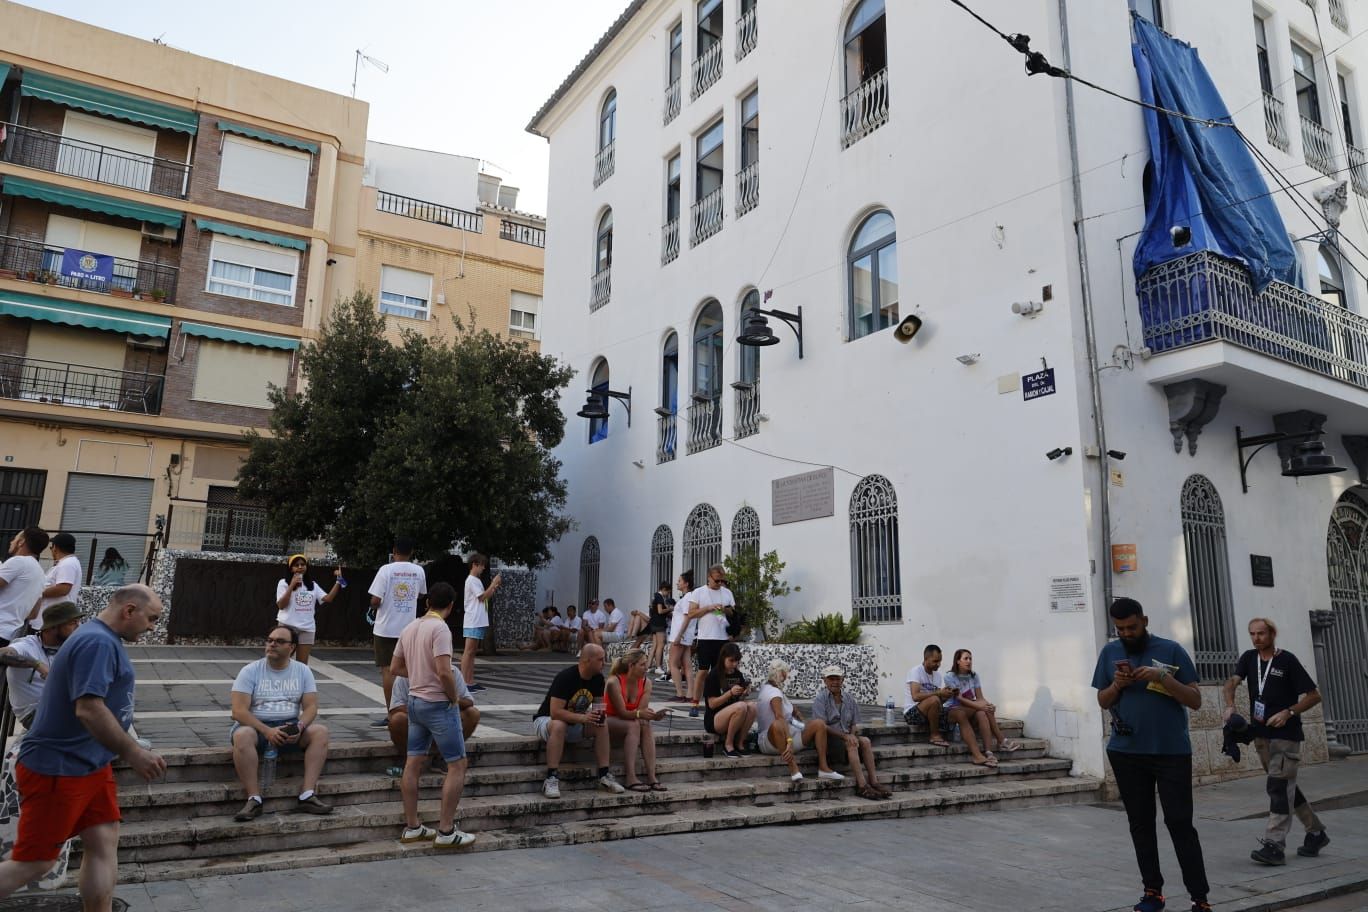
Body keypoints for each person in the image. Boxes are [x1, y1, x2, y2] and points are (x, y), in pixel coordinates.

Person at [0, 585, 166, 910]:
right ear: (129, 610)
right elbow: (88, 708)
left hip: (91, 763)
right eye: (152, 618)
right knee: (35, 863)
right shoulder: (97, 642)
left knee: (104, 841)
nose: (152, 627)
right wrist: (134, 752)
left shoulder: (102, 638)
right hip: (57, 767)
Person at [1092, 597, 1210, 912]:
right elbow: (1102, 701)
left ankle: (1200, 899)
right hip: (1126, 752)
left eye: (1132, 627)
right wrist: (1116, 686)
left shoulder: (1171, 650)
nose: (1127, 634)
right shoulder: (1109, 653)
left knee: (1180, 823)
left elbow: (1195, 700)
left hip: (1171, 752)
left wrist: (1163, 678)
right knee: (1141, 824)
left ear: (1144, 620)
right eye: (1120, 629)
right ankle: (1152, 893)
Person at [1222, 617, 1329, 866]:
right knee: (1285, 785)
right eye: (1252, 634)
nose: (1256, 638)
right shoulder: (1249, 658)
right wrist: (1229, 705)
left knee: (1278, 788)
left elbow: (1314, 696)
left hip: (1286, 736)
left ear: (1272, 633)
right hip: (1262, 736)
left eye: (1261, 633)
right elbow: (1231, 683)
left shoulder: (1287, 660)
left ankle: (1274, 845)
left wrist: (1288, 712)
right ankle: (1316, 833)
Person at [390, 581, 476, 848]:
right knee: (457, 765)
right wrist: (452, 697)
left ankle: (413, 826)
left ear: (427, 603)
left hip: (415, 702)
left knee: (413, 763)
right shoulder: (440, 628)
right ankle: (447, 831)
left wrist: (417, 674)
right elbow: (443, 670)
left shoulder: (410, 627)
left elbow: (394, 667)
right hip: (437, 704)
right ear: (450, 606)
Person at [228, 625, 333, 822]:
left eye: (279, 641)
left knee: (320, 732)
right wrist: (267, 731)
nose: (272, 644)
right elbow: (238, 711)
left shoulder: (303, 671)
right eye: (269, 640)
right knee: (242, 735)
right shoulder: (250, 671)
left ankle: (307, 795)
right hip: (256, 728)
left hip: (289, 728)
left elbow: (310, 708)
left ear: (292, 647)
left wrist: (299, 727)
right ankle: (254, 799)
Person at [532, 643, 625, 799]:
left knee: (601, 723)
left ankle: (604, 775)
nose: (605, 663)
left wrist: (599, 715)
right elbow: (555, 712)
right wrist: (583, 717)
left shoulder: (597, 678)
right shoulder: (566, 677)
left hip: (575, 722)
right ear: (587, 661)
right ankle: (551, 777)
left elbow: (599, 705)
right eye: (601, 659)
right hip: (546, 721)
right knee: (559, 725)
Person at [756, 659, 843, 783]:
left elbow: (789, 711)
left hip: (790, 731)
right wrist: (789, 741)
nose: (787, 676)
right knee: (777, 724)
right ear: (781, 673)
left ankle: (824, 768)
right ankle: (793, 768)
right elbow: (780, 718)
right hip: (771, 741)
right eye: (785, 673)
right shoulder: (774, 693)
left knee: (819, 724)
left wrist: (801, 719)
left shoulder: (771, 687)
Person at [0, 601, 82, 729]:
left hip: (61, 705)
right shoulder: (27, 645)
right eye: (73, 623)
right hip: (36, 712)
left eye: (78, 622)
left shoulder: (69, 646)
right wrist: (37, 664)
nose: (78, 627)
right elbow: (1, 654)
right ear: (52, 627)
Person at [813, 665, 890, 799]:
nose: (835, 682)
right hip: (830, 741)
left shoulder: (849, 698)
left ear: (842, 680)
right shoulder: (821, 699)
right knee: (851, 743)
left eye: (837, 679)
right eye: (831, 679)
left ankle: (874, 782)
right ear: (824, 681)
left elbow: (854, 724)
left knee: (865, 741)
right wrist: (846, 736)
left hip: (846, 737)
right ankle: (862, 786)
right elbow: (822, 726)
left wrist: (852, 735)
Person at [368, 538, 427, 714]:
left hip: (385, 628)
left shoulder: (385, 570)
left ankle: (392, 713)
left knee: (388, 671)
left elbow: (376, 600)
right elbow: (422, 594)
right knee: (410, 670)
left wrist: (373, 606)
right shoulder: (419, 570)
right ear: (412, 552)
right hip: (409, 628)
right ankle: (412, 710)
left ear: (394, 551)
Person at [603, 649, 669, 791]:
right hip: (609, 720)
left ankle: (651, 776)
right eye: (642, 665)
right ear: (631, 665)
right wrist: (641, 714)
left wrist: (653, 716)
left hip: (629, 720)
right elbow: (622, 713)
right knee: (634, 724)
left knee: (645, 724)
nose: (646, 668)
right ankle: (630, 777)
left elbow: (641, 711)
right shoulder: (614, 682)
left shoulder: (646, 683)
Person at [944, 648, 1021, 768]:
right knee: (982, 709)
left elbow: (980, 697)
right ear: (958, 661)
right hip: (954, 708)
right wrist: (981, 706)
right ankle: (1001, 740)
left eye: (970, 659)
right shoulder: (950, 676)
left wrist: (989, 705)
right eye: (966, 658)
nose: (969, 661)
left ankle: (989, 753)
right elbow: (959, 699)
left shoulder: (974, 676)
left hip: (971, 709)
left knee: (983, 713)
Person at [682, 564, 736, 718]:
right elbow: (691, 613)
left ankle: (718, 703)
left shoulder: (727, 593)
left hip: (722, 638)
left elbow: (732, 612)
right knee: (703, 671)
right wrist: (708, 608)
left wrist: (724, 609)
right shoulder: (699, 592)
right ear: (709, 577)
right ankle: (694, 703)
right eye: (717, 581)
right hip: (706, 637)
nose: (719, 584)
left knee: (721, 672)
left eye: (722, 581)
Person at [274, 554, 343, 665]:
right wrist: (291, 585)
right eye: (296, 565)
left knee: (302, 665)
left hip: (307, 628)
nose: (300, 567)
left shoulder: (312, 585)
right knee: (282, 661)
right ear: (291, 568)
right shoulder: (283, 583)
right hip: (287, 627)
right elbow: (281, 605)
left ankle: (298, 682)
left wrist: (338, 581)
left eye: (303, 564)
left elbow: (328, 598)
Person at [702, 642, 757, 758]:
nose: (734, 664)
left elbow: (738, 700)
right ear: (723, 658)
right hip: (714, 719)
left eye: (737, 661)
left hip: (733, 714)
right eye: (731, 661)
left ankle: (740, 743)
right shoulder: (714, 675)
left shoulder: (738, 675)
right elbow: (711, 704)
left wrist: (744, 693)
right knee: (741, 706)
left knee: (752, 706)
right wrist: (730, 693)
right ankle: (728, 745)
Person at [0, 528, 48, 646]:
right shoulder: (41, 573)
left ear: (21, 542)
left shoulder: (17, 561)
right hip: (12, 635)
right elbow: (34, 613)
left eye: (15, 538)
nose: (12, 542)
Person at [461, 554, 501, 694]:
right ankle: (465, 682)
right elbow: (482, 597)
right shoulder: (471, 580)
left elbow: (485, 596)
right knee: (469, 651)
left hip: (477, 620)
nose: (484, 568)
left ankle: (470, 681)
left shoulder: (476, 580)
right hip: (473, 620)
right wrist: (493, 583)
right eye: (482, 565)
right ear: (474, 564)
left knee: (472, 653)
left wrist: (494, 587)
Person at [28, 533, 81, 634]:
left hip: (52, 621)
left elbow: (63, 589)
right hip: (49, 620)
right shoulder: (66, 563)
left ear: (55, 547)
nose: (51, 550)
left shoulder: (67, 564)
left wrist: (37, 592)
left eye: (51, 547)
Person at [904, 644, 954, 748]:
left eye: (940, 661)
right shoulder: (916, 671)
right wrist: (938, 693)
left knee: (957, 710)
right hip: (912, 713)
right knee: (934, 699)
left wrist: (947, 695)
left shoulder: (938, 676)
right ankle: (934, 735)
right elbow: (915, 696)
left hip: (929, 711)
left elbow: (938, 702)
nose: (938, 664)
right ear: (926, 659)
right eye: (935, 661)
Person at [666, 572, 696, 701]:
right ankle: (690, 694)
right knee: (687, 665)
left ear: (686, 584)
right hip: (686, 636)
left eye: (679, 581)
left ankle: (680, 693)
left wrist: (679, 635)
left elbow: (687, 617)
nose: (677, 583)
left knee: (672, 663)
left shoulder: (687, 598)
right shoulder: (689, 597)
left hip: (681, 635)